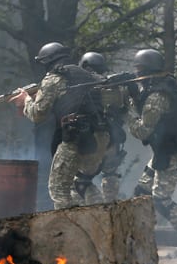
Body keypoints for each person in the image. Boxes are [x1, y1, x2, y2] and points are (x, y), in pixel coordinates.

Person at [9, 42, 110, 209]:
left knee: (58, 190)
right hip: (99, 138)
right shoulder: (86, 74)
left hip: (76, 138)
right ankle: (94, 221)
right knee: (79, 184)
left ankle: (68, 231)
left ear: (48, 62)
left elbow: (37, 115)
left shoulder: (53, 79)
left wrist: (25, 99)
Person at [126, 48, 177, 256]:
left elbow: (142, 130)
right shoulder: (164, 85)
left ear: (148, 70)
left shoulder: (158, 95)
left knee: (160, 198)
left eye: (139, 69)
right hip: (166, 148)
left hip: (171, 151)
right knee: (142, 190)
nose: (136, 74)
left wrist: (129, 110)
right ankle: (135, 237)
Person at [71, 52, 132, 205]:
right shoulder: (116, 87)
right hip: (114, 139)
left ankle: (96, 209)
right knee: (110, 175)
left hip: (92, 141)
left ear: (85, 66)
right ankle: (111, 209)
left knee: (80, 181)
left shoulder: (82, 87)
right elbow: (125, 110)